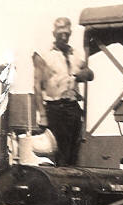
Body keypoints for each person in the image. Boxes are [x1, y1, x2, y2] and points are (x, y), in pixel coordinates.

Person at [33, 17, 94, 166]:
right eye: (60, 32)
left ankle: (72, 187)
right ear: (54, 32)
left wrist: (82, 74)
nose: (64, 36)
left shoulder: (75, 54)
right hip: (55, 109)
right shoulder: (43, 55)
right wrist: (42, 115)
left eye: (67, 33)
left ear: (71, 33)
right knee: (59, 153)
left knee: (74, 153)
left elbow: (90, 74)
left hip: (72, 108)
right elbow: (36, 86)